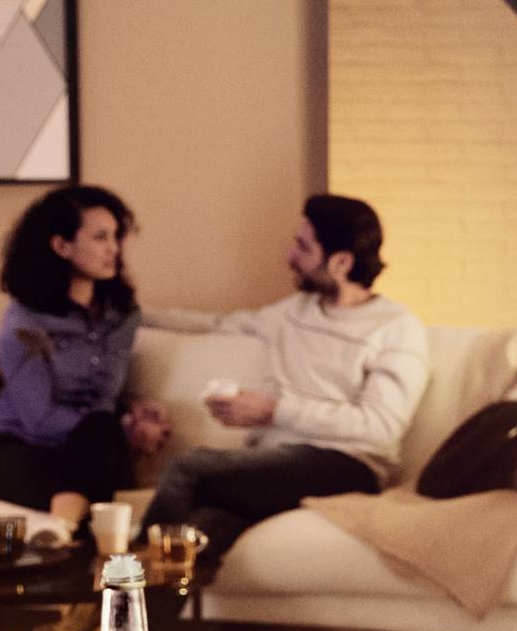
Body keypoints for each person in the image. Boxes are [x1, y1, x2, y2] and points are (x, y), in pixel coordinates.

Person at [139, 194, 429, 573]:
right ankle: (135, 627)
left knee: (188, 469)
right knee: (200, 537)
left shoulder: (395, 327)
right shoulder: (293, 313)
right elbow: (215, 324)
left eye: (304, 247)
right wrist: (131, 316)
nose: (290, 257)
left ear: (341, 262)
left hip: (347, 466)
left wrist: (273, 410)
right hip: (276, 466)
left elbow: (380, 426)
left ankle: (109, 604)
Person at [0, 185, 170, 524]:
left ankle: (61, 534)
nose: (113, 249)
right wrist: (124, 427)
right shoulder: (25, 321)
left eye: (115, 236)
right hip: (22, 451)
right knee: (100, 475)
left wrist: (134, 413)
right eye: (100, 237)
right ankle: (68, 529)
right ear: (61, 245)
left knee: (101, 435)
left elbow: (101, 399)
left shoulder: (121, 317)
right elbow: (38, 419)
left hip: (95, 447)